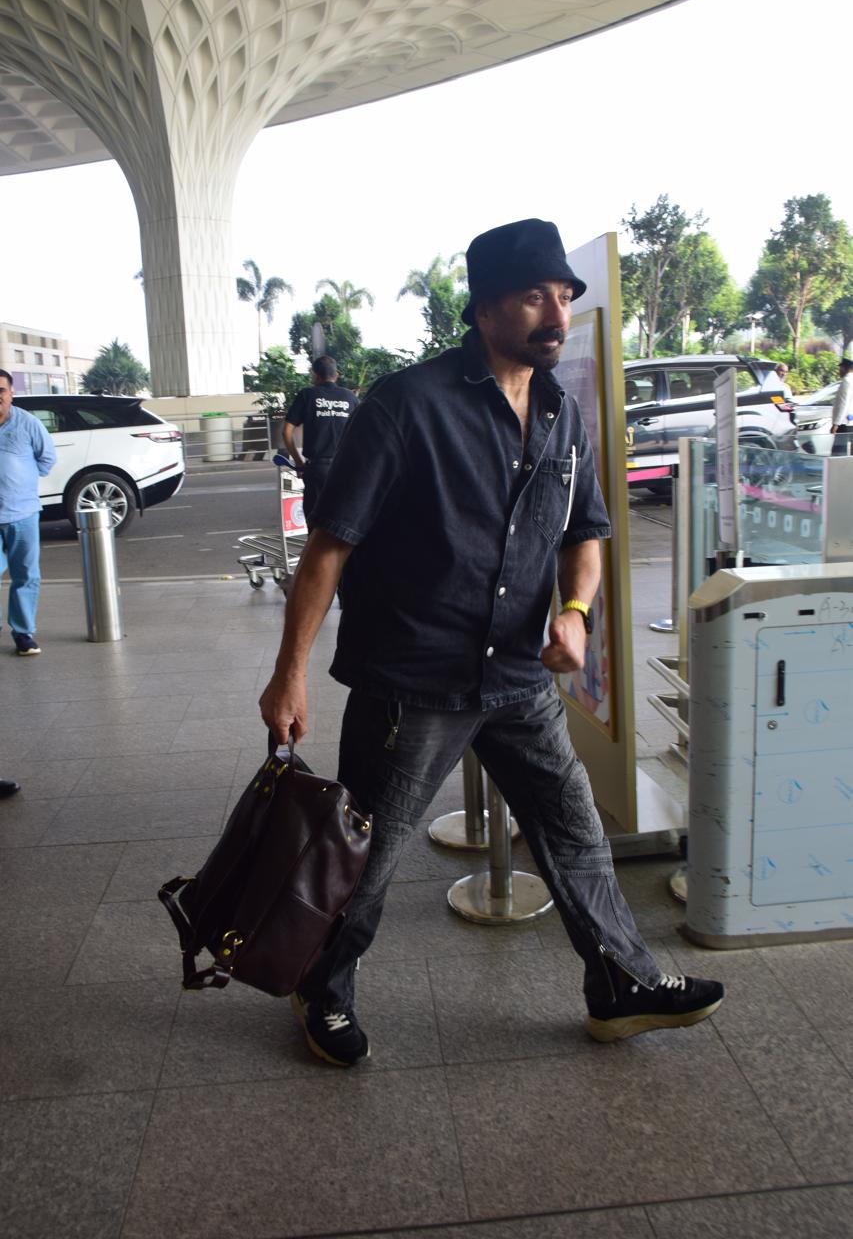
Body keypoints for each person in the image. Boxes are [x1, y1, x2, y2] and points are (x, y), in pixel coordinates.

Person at [260, 219, 724, 1067]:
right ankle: (319, 984)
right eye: (533, 297)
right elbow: (330, 546)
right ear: (482, 309)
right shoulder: (405, 405)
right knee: (368, 854)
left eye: (562, 296)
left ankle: (618, 981)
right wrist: (287, 676)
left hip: (515, 676)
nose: (555, 313)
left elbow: (584, 533)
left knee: (573, 833)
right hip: (414, 680)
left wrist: (576, 612)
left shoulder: (559, 411)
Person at [0, 369, 56, 655]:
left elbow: (47, 458)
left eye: (1, 390)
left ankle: (23, 634)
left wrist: (21, 481)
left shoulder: (28, 424)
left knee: (26, 575)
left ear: (11, 393)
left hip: (22, 513)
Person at [282, 357, 358, 528]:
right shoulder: (350, 397)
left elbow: (286, 432)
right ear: (336, 375)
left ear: (315, 375)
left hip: (317, 471)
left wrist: (299, 463)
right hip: (345, 470)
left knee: (316, 528)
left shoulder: (307, 395)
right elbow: (364, 433)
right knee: (342, 529)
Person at [830, 343, 853, 452]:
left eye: (841, 368)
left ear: (845, 368)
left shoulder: (847, 381)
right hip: (850, 421)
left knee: (838, 451)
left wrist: (836, 424)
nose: (839, 371)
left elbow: (843, 404)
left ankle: (839, 469)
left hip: (844, 423)